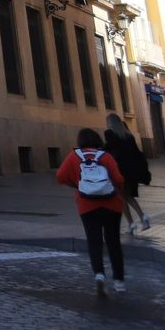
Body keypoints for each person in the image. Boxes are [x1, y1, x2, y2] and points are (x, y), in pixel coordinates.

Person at [56, 127, 127, 297]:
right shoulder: (106, 156)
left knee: (93, 241)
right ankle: (119, 281)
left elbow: (60, 176)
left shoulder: (74, 157)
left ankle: (99, 275)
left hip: (87, 205)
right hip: (111, 205)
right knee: (113, 242)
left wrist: (78, 185)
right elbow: (118, 179)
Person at [102, 115, 151, 233]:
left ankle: (131, 224)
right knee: (128, 196)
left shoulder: (110, 133)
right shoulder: (129, 135)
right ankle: (143, 217)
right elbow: (136, 152)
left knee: (121, 197)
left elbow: (107, 149)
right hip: (132, 171)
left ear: (110, 123)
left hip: (119, 171)